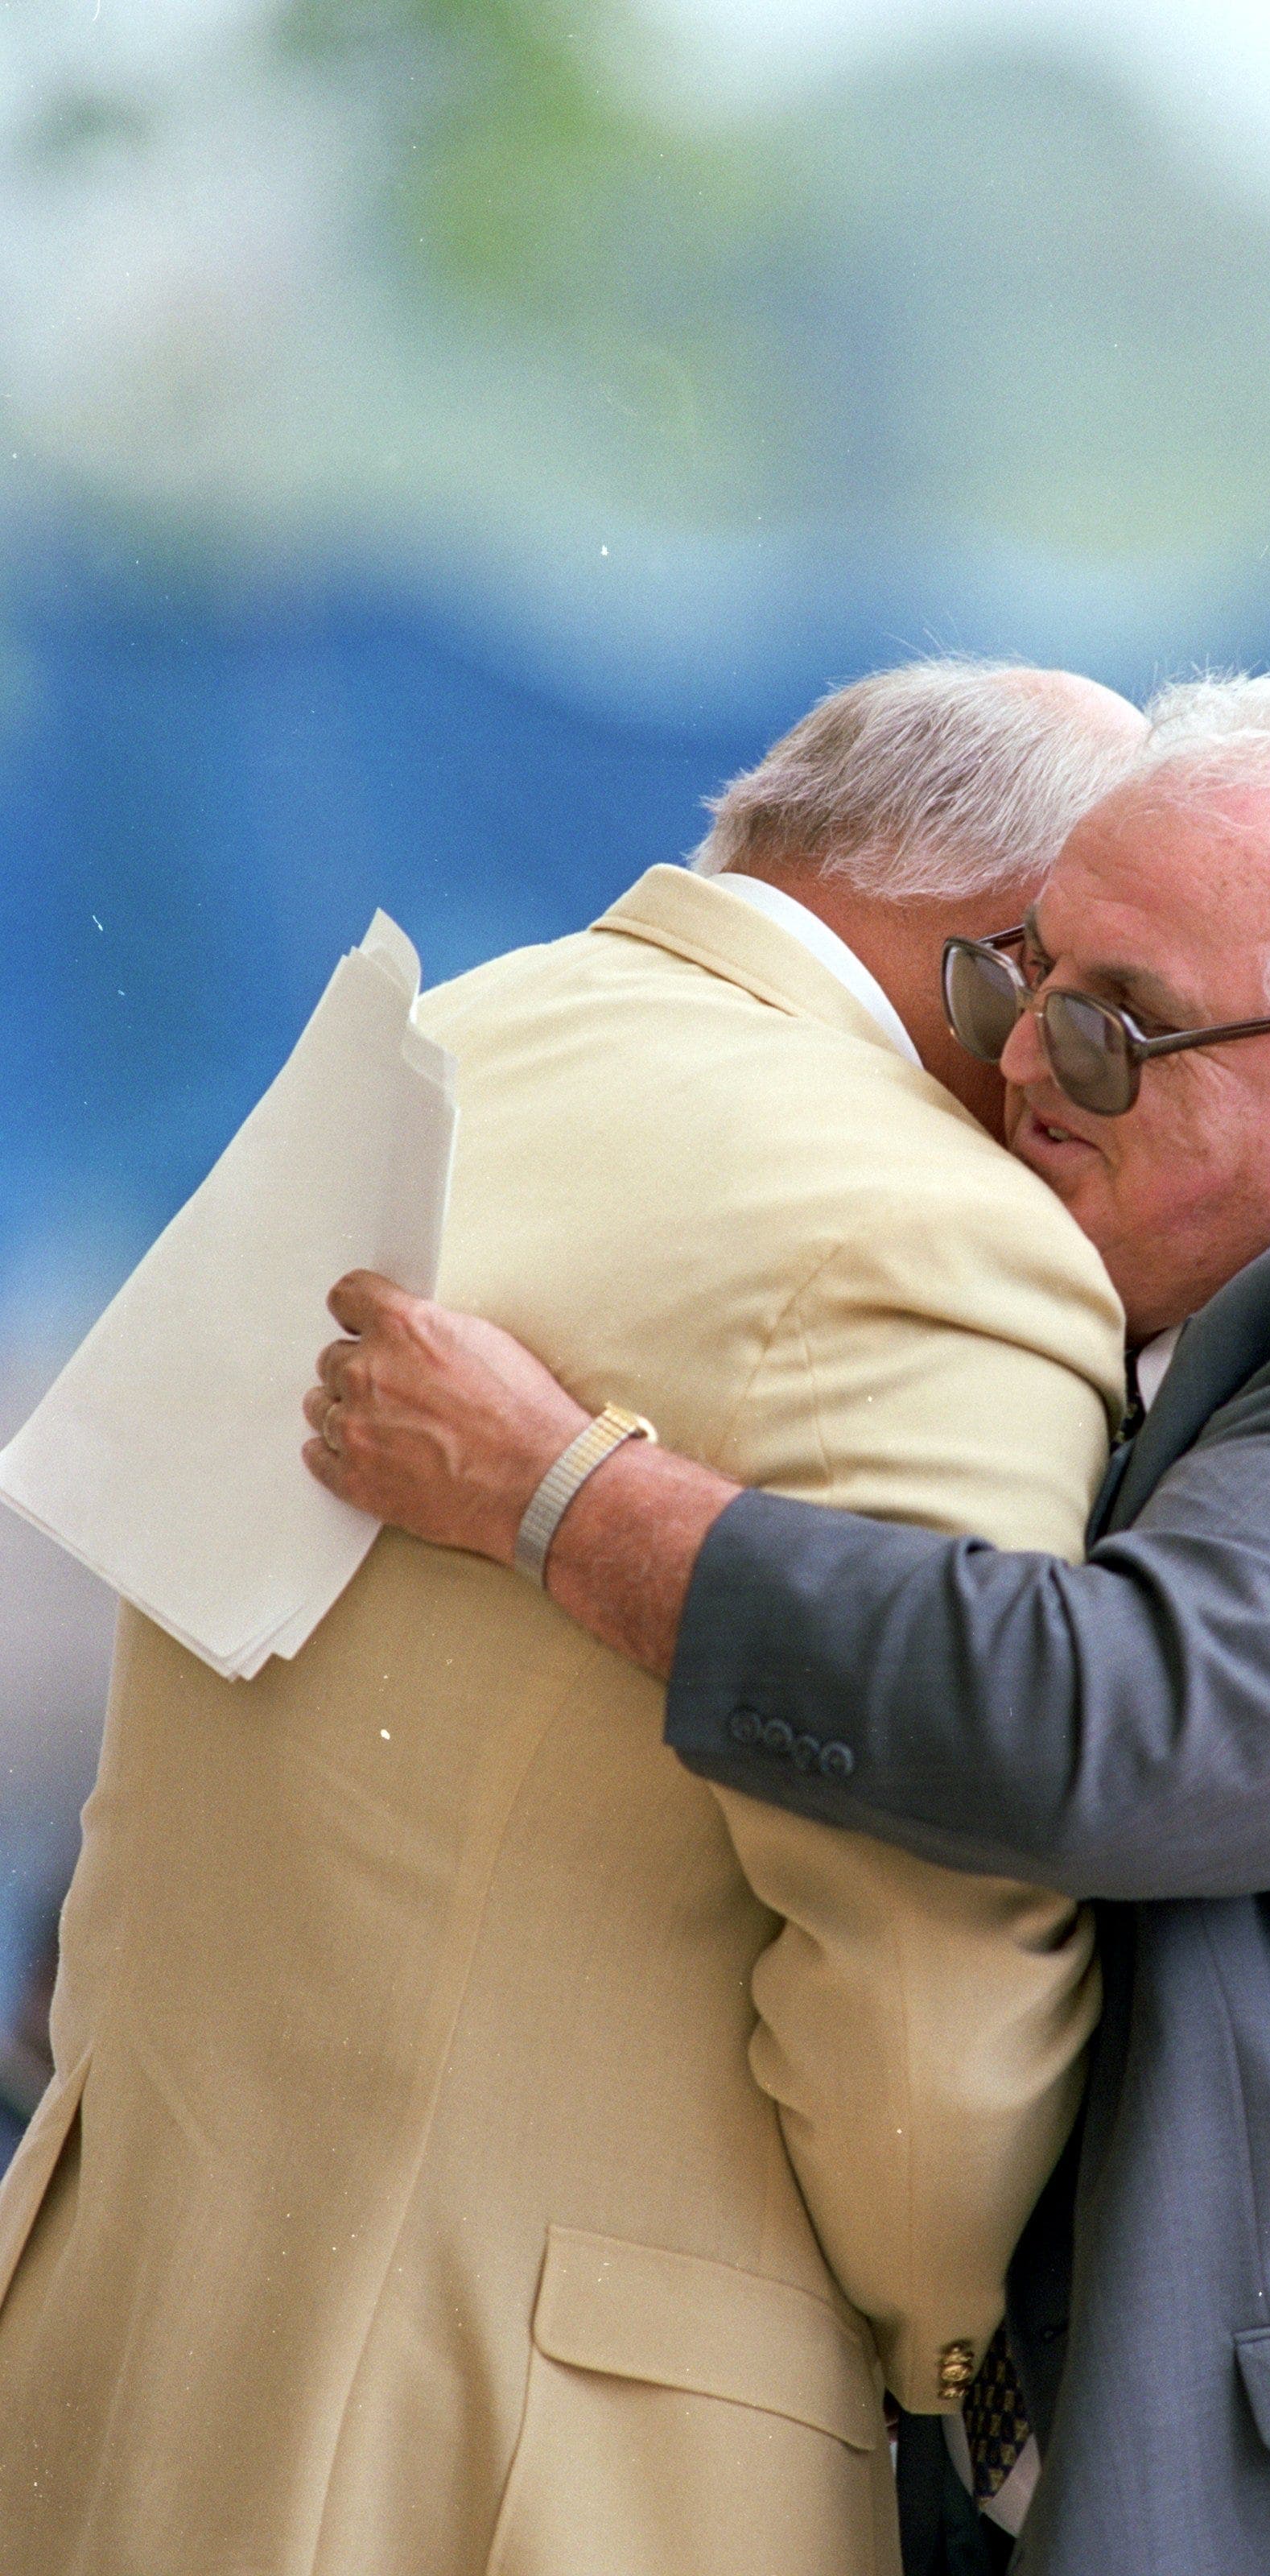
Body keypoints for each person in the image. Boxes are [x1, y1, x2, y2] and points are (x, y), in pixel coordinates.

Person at [309, 674, 1270, 2576]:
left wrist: (559, 1496)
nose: (1025, 1066)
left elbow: (1109, 1726)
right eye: (1021, 977)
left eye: (1122, 1027)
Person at [0, 658, 1151, 2576]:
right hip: (550, 2465)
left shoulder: (441, 1033)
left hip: (119, 2376)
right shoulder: (949, 1232)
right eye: (1110, 1000)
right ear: (1005, 954)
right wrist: (958, 2336)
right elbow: (929, 2007)